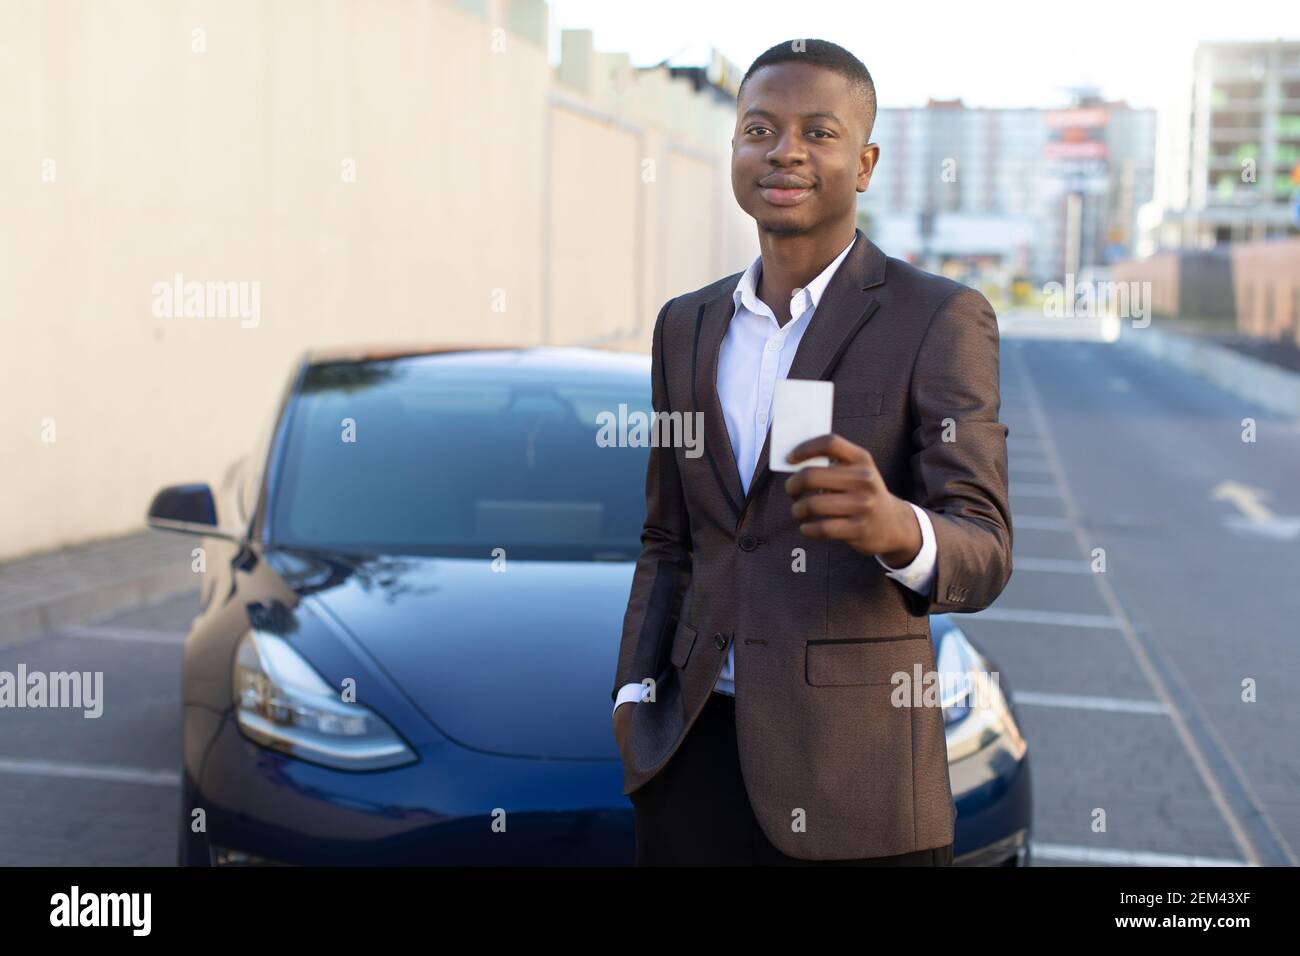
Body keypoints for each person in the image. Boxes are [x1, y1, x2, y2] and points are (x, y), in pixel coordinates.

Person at [610, 38, 1012, 865]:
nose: (785, 150)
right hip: (689, 758)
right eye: (760, 128)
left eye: (818, 133)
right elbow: (667, 539)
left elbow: (986, 550)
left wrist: (897, 528)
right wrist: (631, 693)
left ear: (863, 163)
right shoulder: (686, 325)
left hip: (854, 785)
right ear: (735, 151)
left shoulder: (938, 318)